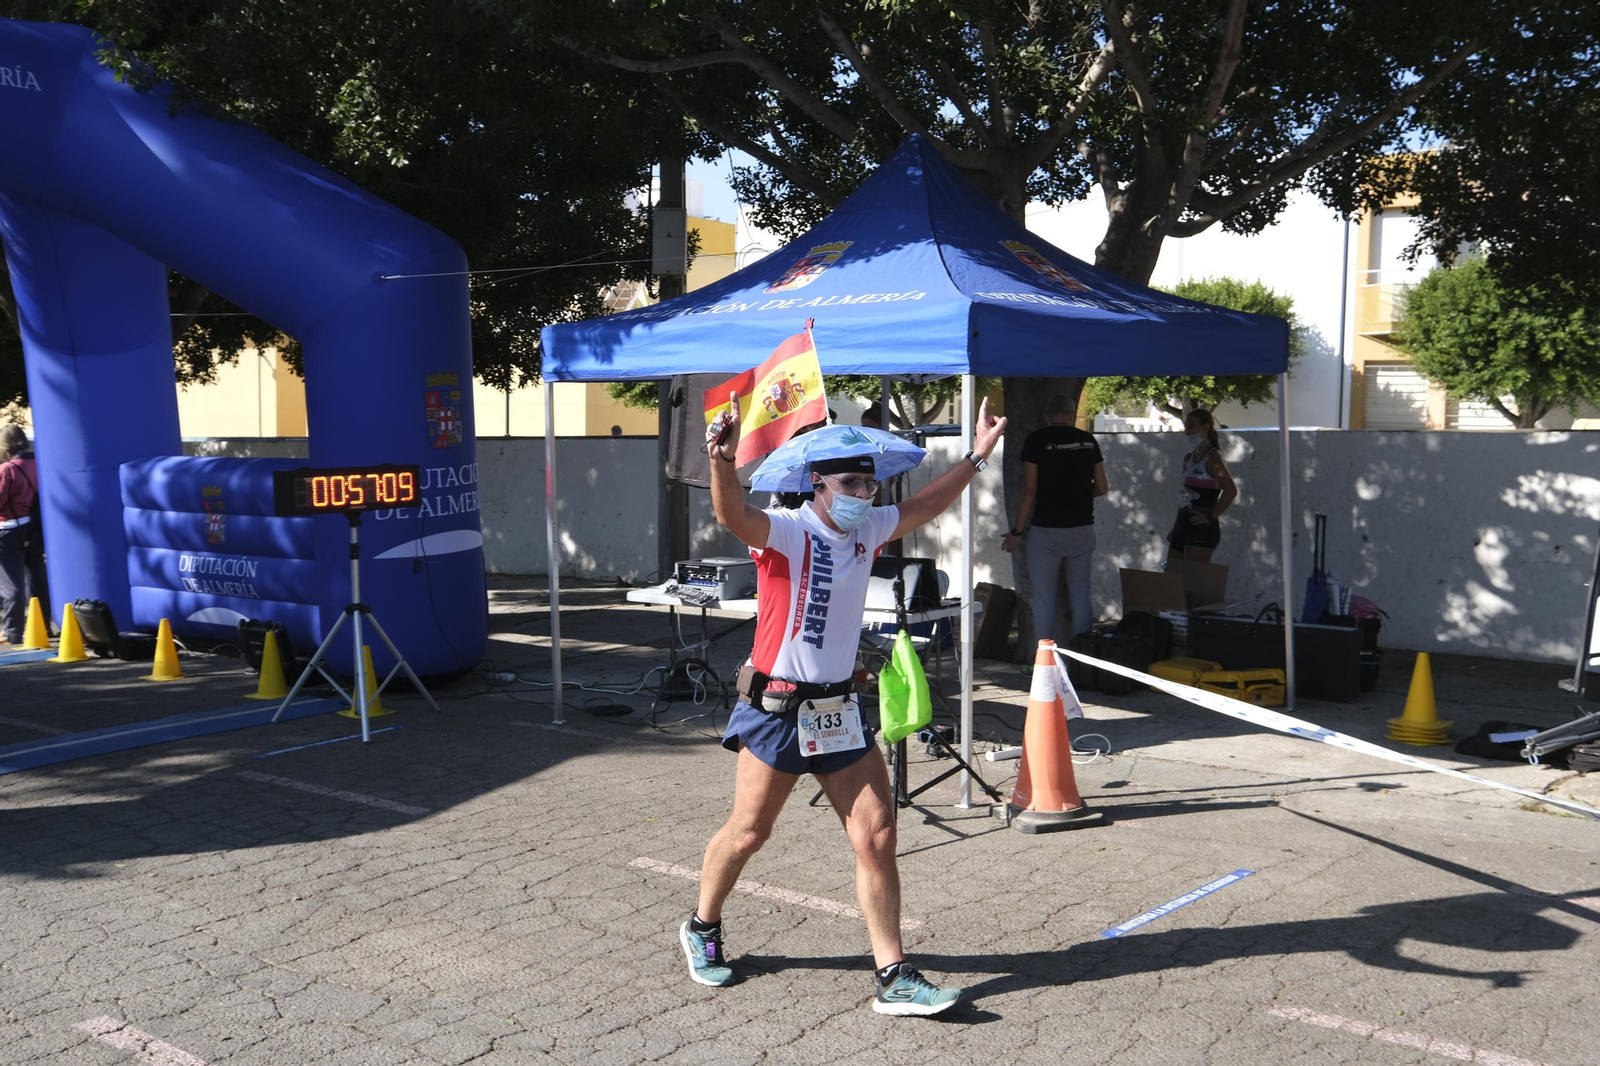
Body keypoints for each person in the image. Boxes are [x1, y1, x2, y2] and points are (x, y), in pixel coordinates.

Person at [685, 390, 1006, 1015]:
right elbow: (734, 518)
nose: (866, 493)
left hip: (839, 711)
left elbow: (925, 503)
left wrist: (976, 455)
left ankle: (894, 975)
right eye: (853, 483)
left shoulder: (873, 529)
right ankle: (702, 926)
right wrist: (722, 463)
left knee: (877, 835)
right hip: (777, 708)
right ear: (818, 486)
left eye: (870, 483)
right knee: (749, 832)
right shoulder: (786, 529)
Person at [1001, 394, 1108, 641]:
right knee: (1081, 597)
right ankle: (1083, 659)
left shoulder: (1038, 440)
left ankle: (1045, 662)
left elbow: (1029, 489)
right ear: (1071, 414)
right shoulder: (1088, 440)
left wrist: (1017, 532)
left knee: (1044, 599)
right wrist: (1079, 496)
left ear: (1046, 415)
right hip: (1082, 528)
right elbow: (1102, 487)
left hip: (1047, 530)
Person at [1167, 409, 1237, 564]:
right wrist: (1176, 526)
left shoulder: (1213, 458)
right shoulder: (1187, 458)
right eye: (1186, 426)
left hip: (1202, 528)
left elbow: (1231, 490)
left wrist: (1211, 516)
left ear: (1205, 428)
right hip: (1183, 522)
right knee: (1172, 576)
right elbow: (1186, 494)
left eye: (1192, 425)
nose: (1187, 430)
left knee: (1194, 580)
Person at [0, 424, 49, 645]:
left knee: (11, 584)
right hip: (36, 529)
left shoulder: (7, 469)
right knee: (37, 578)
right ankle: (43, 626)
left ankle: (13, 632)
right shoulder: (41, 464)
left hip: (8, 530)